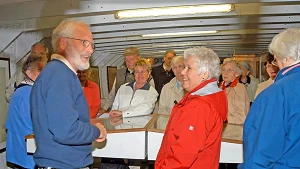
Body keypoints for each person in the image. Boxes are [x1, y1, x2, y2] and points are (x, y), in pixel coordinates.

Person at [30, 20, 107, 168]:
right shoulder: (59, 75)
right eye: (84, 42)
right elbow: (66, 130)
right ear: (63, 43)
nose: (90, 50)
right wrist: (96, 131)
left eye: (92, 45)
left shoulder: (58, 73)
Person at [155, 47, 228, 169]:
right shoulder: (209, 99)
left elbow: (182, 156)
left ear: (204, 74)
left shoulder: (199, 107)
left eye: (188, 68)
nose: (182, 72)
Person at [239, 28, 300, 169]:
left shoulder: (276, 93)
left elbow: (261, 153)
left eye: (275, 58)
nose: (275, 62)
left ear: (286, 58)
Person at [5, 55, 46, 169]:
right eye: (40, 69)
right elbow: (34, 124)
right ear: (28, 73)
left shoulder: (22, 91)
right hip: (27, 154)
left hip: (21, 153)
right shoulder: (28, 93)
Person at [98, 47, 154, 115]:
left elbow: (148, 105)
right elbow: (113, 94)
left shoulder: (148, 79)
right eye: (126, 60)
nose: (128, 62)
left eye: (131, 59)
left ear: (138, 58)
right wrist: (104, 108)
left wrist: (123, 113)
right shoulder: (119, 74)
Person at [219, 58, 250, 124]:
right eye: (223, 70)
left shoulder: (240, 89)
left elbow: (242, 117)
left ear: (237, 74)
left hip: (234, 131)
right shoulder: (220, 86)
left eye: (229, 70)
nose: (225, 73)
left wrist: (219, 118)